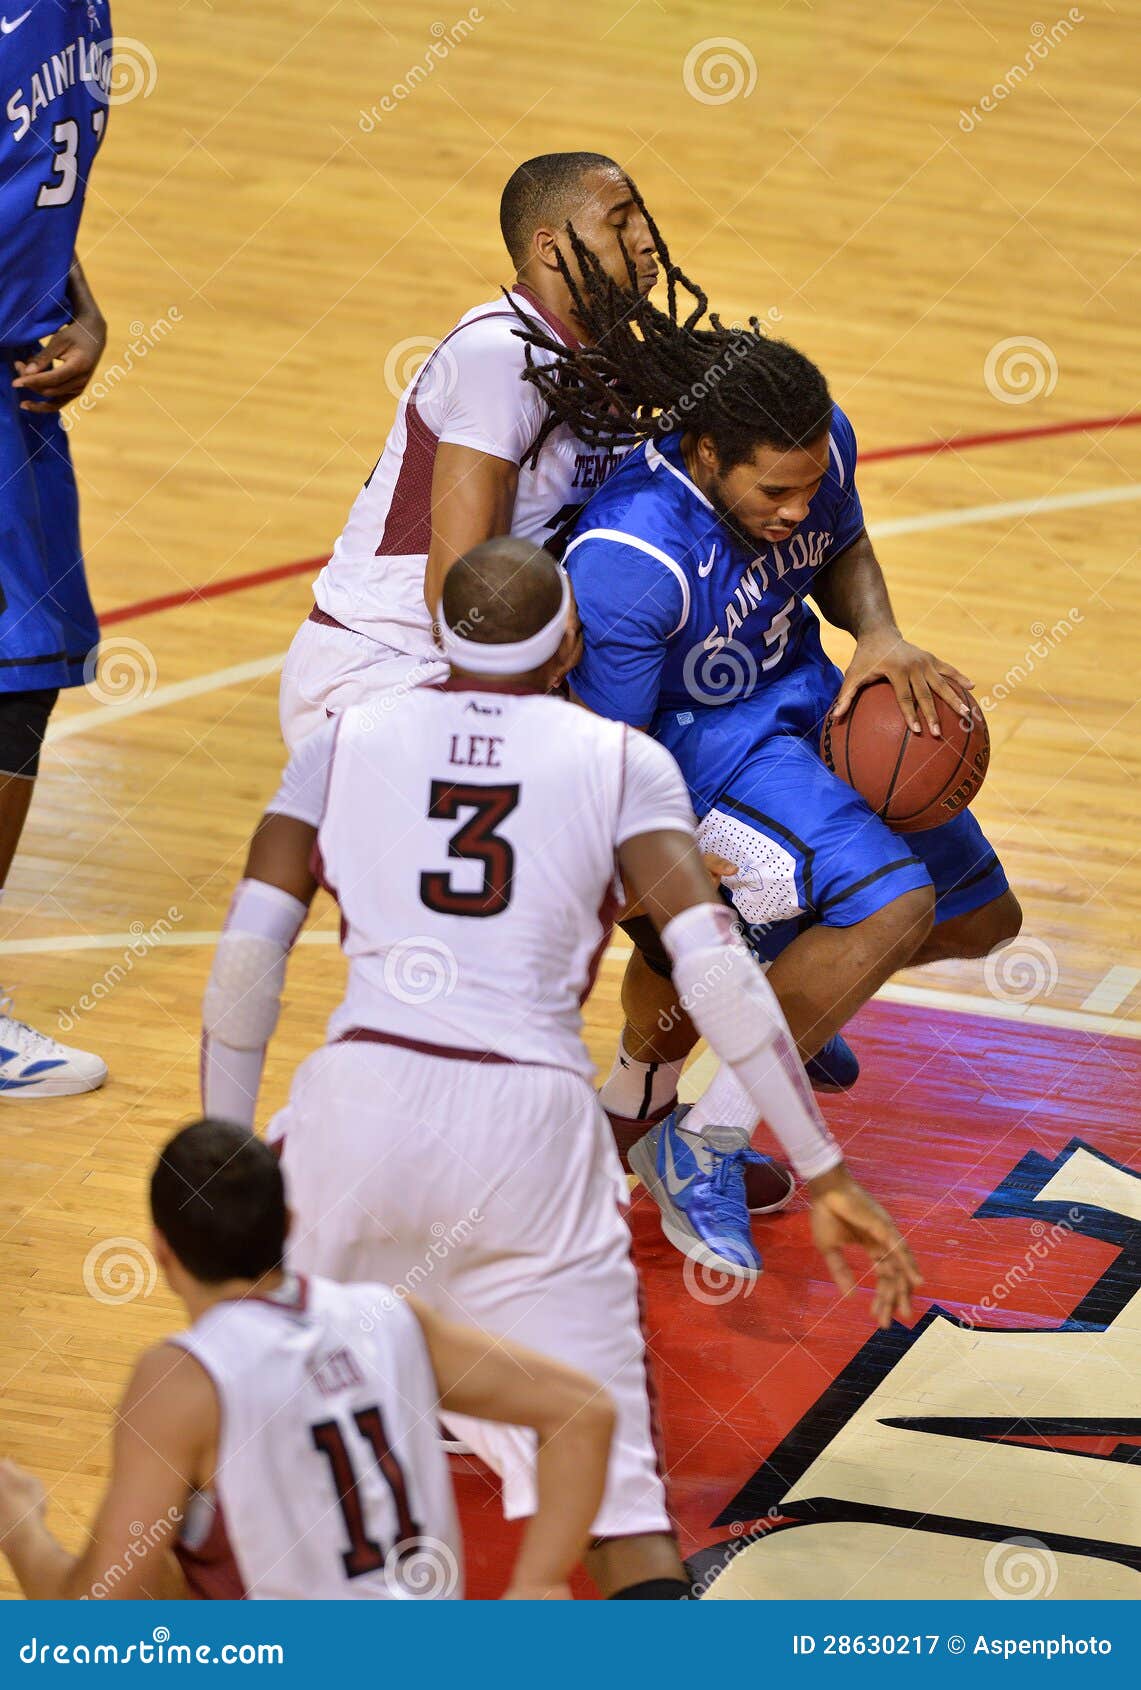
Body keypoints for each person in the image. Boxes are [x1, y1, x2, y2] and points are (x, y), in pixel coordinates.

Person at [200, 536, 921, 1596]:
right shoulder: (623, 762)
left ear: (437, 636)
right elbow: (715, 975)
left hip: (358, 1105)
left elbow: (248, 957)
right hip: (531, 1127)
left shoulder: (342, 742)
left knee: (239, 1438)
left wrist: (224, 1146)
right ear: (570, 643)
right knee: (622, 1508)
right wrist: (820, 1166)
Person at [511, 230, 1022, 1270]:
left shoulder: (814, 442)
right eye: (771, 496)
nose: (796, 508)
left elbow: (842, 546)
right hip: (695, 756)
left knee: (980, 918)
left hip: (801, 702)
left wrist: (874, 632)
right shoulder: (631, 558)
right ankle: (704, 1139)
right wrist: (672, 900)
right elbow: (609, 762)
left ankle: (783, 989)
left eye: (804, 486)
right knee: (893, 904)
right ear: (705, 458)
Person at [0, 1119, 616, 1600]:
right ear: (290, 1224)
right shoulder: (391, 1315)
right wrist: (537, 1582)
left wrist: (20, 1524)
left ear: (160, 1252)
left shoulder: (181, 1382)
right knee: (166, 1565)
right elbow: (583, 1412)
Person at [277, 150, 659, 751]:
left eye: (644, 222)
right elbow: (457, 590)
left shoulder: (609, 365)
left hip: (486, 659)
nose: (646, 243)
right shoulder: (502, 355)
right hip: (386, 666)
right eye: (620, 224)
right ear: (551, 247)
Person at [0, 1, 115, 1094]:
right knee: (13, 682)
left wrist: (85, 314)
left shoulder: (82, 7)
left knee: (21, 679)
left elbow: (46, 202)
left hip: (19, 392)